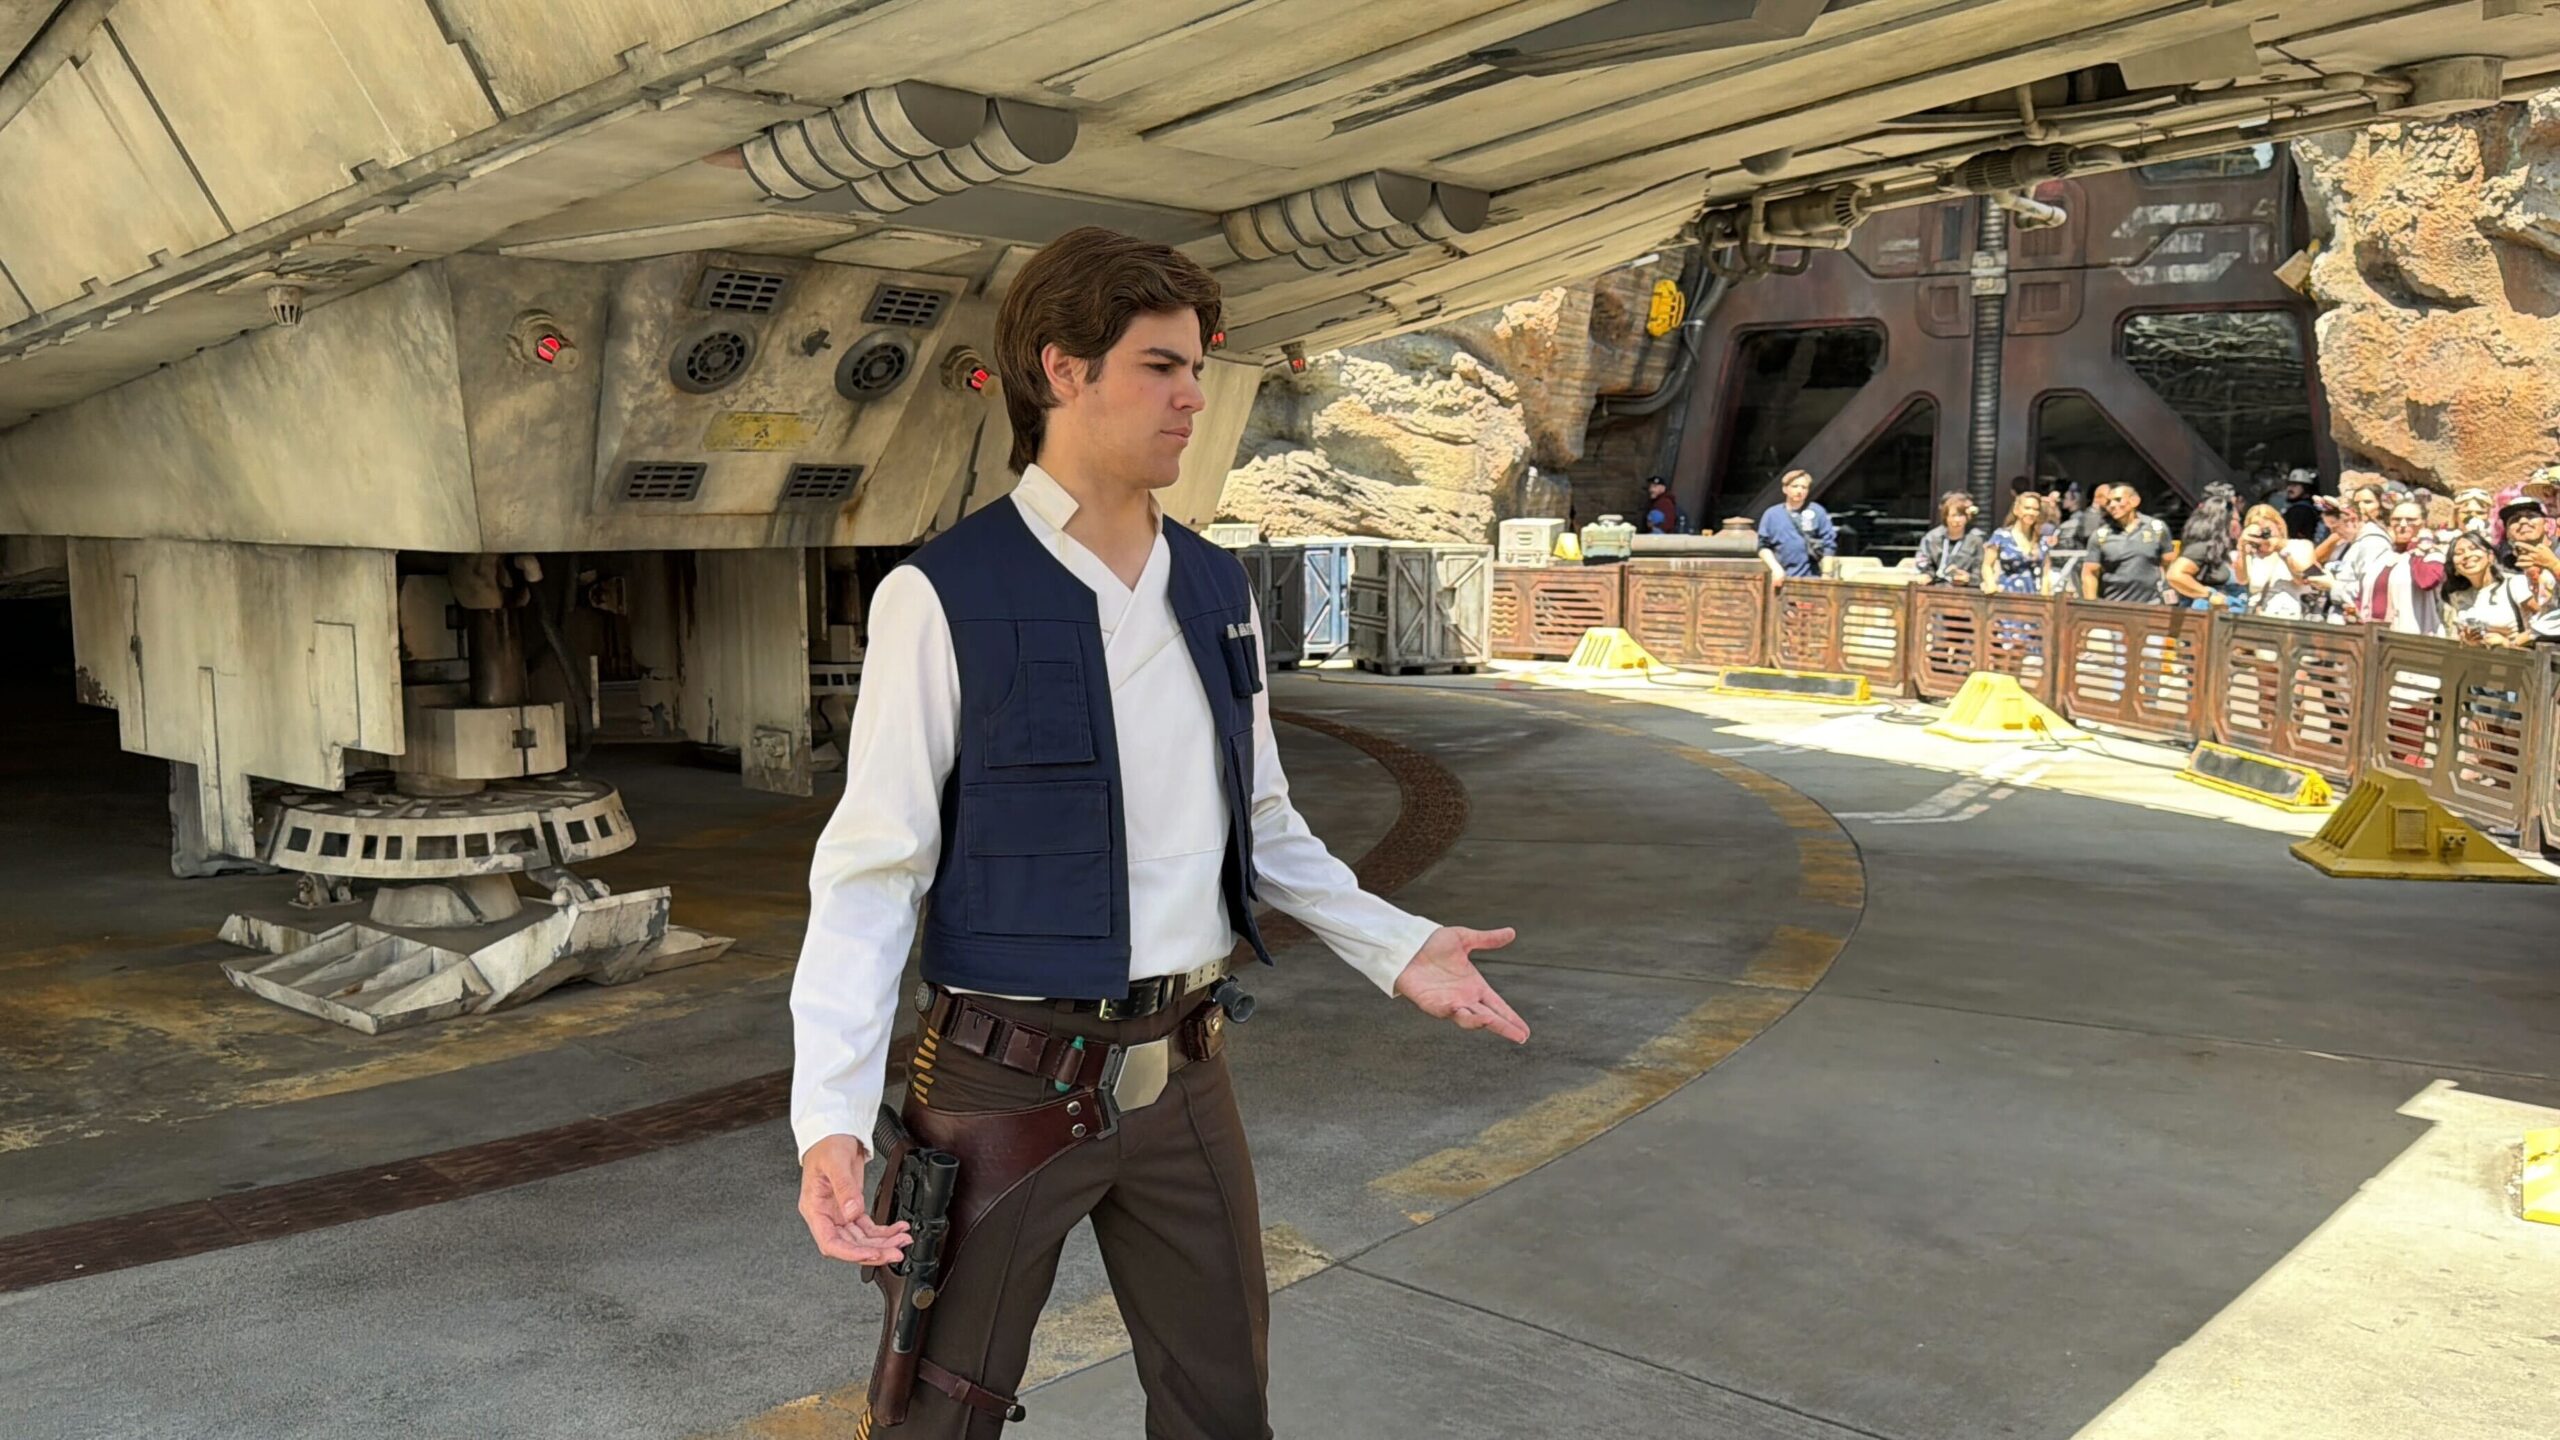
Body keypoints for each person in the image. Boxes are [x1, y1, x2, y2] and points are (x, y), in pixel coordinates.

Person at [789, 227, 1526, 1439]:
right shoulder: (943, 595)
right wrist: (828, 1114)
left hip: (1184, 1074)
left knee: (1223, 1405)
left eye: (1197, 368)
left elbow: (1265, 821)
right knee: (935, 1417)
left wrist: (1397, 946)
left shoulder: (1214, 584)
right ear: (1061, 370)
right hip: (1000, 1085)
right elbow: (873, 872)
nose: (1192, 396)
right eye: (1159, 367)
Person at [2438, 529, 2539, 646]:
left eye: (2473, 549)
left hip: (2517, 656)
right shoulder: (2458, 596)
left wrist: (2508, 643)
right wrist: (2468, 639)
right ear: (2455, 568)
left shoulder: (2514, 584)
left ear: (2490, 556)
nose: (2467, 555)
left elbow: (2543, 624)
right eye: (2459, 553)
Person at [2080, 483, 2174, 604]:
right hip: (2114, 606)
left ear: (2135, 501)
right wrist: (2091, 605)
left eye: (2118, 500)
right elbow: (2090, 573)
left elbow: (2168, 564)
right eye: (2108, 502)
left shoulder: (2157, 528)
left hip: (2152, 605)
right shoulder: (2100, 535)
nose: (2112, 505)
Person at [2364, 497, 2446, 634]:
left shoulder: (2432, 554)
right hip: (2377, 635)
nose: (2402, 524)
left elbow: (2427, 581)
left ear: (2423, 523)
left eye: (2410, 520)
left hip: (2416, 636)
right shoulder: (2383, 556)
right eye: (2396, 519)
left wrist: (2418, 546)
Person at [2164, 483, 2243, 610]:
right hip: (2207, 615)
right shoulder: (2203, 548)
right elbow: (2175, 575)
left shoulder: (2221, 549)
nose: (2238, 522)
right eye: (2235, 519)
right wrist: (2209, 594)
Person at [2237, 503, 2319, 618]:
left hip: (2289, 617)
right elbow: (2242, 580)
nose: (2263, 536)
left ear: (2279, 526)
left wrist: (2281, 549)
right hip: (2257, 617)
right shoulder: (2251, 554)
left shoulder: (2301, 546)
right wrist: (2242, 549)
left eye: (2267, 531)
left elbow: (2304, 579)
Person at [1756, 468, 1836, 584]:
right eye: (1795, 486)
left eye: (1804, 487)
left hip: (1812, 577)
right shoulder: (1772, 514)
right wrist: (1775, 568)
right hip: (1781, 578)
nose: (1799, 491)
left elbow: (1829, 544)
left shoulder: (1817, 512)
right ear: (1785, 489)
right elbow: (1763, 546)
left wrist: (1827, 574)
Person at [2496, 497, 2559, 612]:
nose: (2523, 521)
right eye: (2514, 520)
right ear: (2508, 533)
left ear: (2546, 525)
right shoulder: (2504, 567)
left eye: (2531, 516)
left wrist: (2554, 565)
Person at [1981, 492, 2050, 595]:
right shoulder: (2001, 536)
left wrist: (2045, 596)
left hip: (2033, 596)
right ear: (2016, 510)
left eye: (2035, 509)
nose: (2031, 512)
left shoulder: (2042, 541)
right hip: (2006, 595)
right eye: (2027, 508)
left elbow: (2046, 573)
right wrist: (1991, 584)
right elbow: (1987, 565)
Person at [1913, 490, 1982, 586]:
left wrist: (1969, 578)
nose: (1957, 520)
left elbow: (1981, 571)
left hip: (1963, 590)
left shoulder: (1976, 540)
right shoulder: (1932, 538)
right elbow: (1923, 561)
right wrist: (1927, 574)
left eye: (1961, 515)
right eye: (1953, 515)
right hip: (1934, 587)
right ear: (1946, 516)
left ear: (1968, 517)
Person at [2281, 470, 2322, 542]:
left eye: (2294, 485)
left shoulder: (2300, 510)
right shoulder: (2309, 507)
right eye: (2289, 485)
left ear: (2306, 488)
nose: (2289, 489)